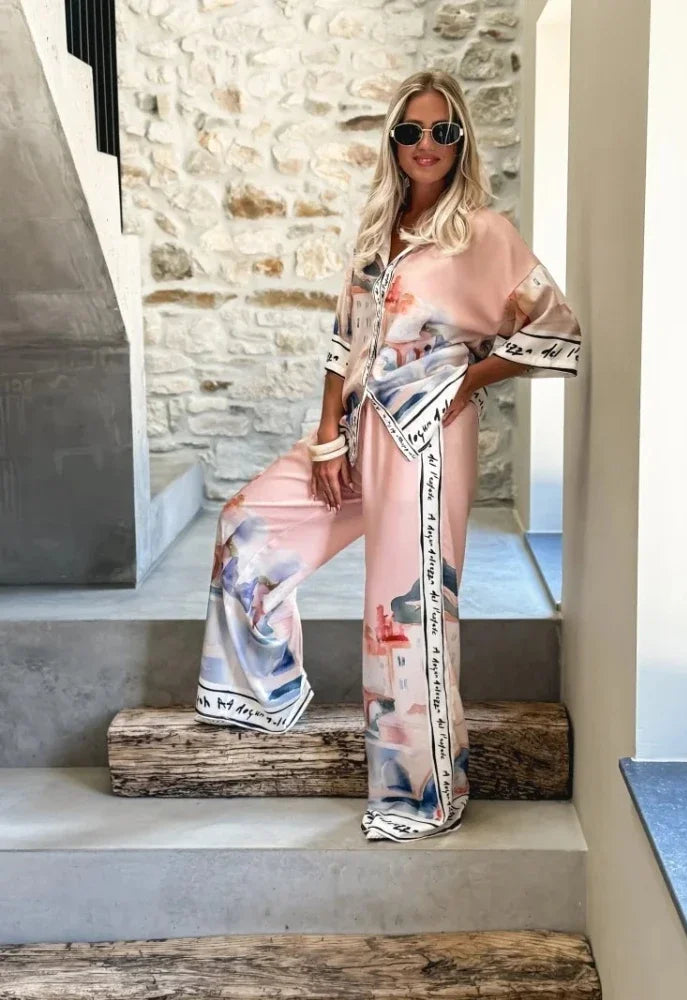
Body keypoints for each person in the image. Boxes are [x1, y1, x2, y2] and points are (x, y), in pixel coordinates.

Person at [193, 69, 582, 842]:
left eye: (442, 131)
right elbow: (345, 342)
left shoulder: (483, 232)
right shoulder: (381, 227)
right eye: (412, 132)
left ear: (461, 139)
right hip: (359, 432)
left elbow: (555, 327)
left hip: (427, 441)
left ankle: (421, 791)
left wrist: (467, 381)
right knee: (249, 525)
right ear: (394, 143)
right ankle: (264, 691)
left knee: (403, 618)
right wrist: (329, 432)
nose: (427, 145)